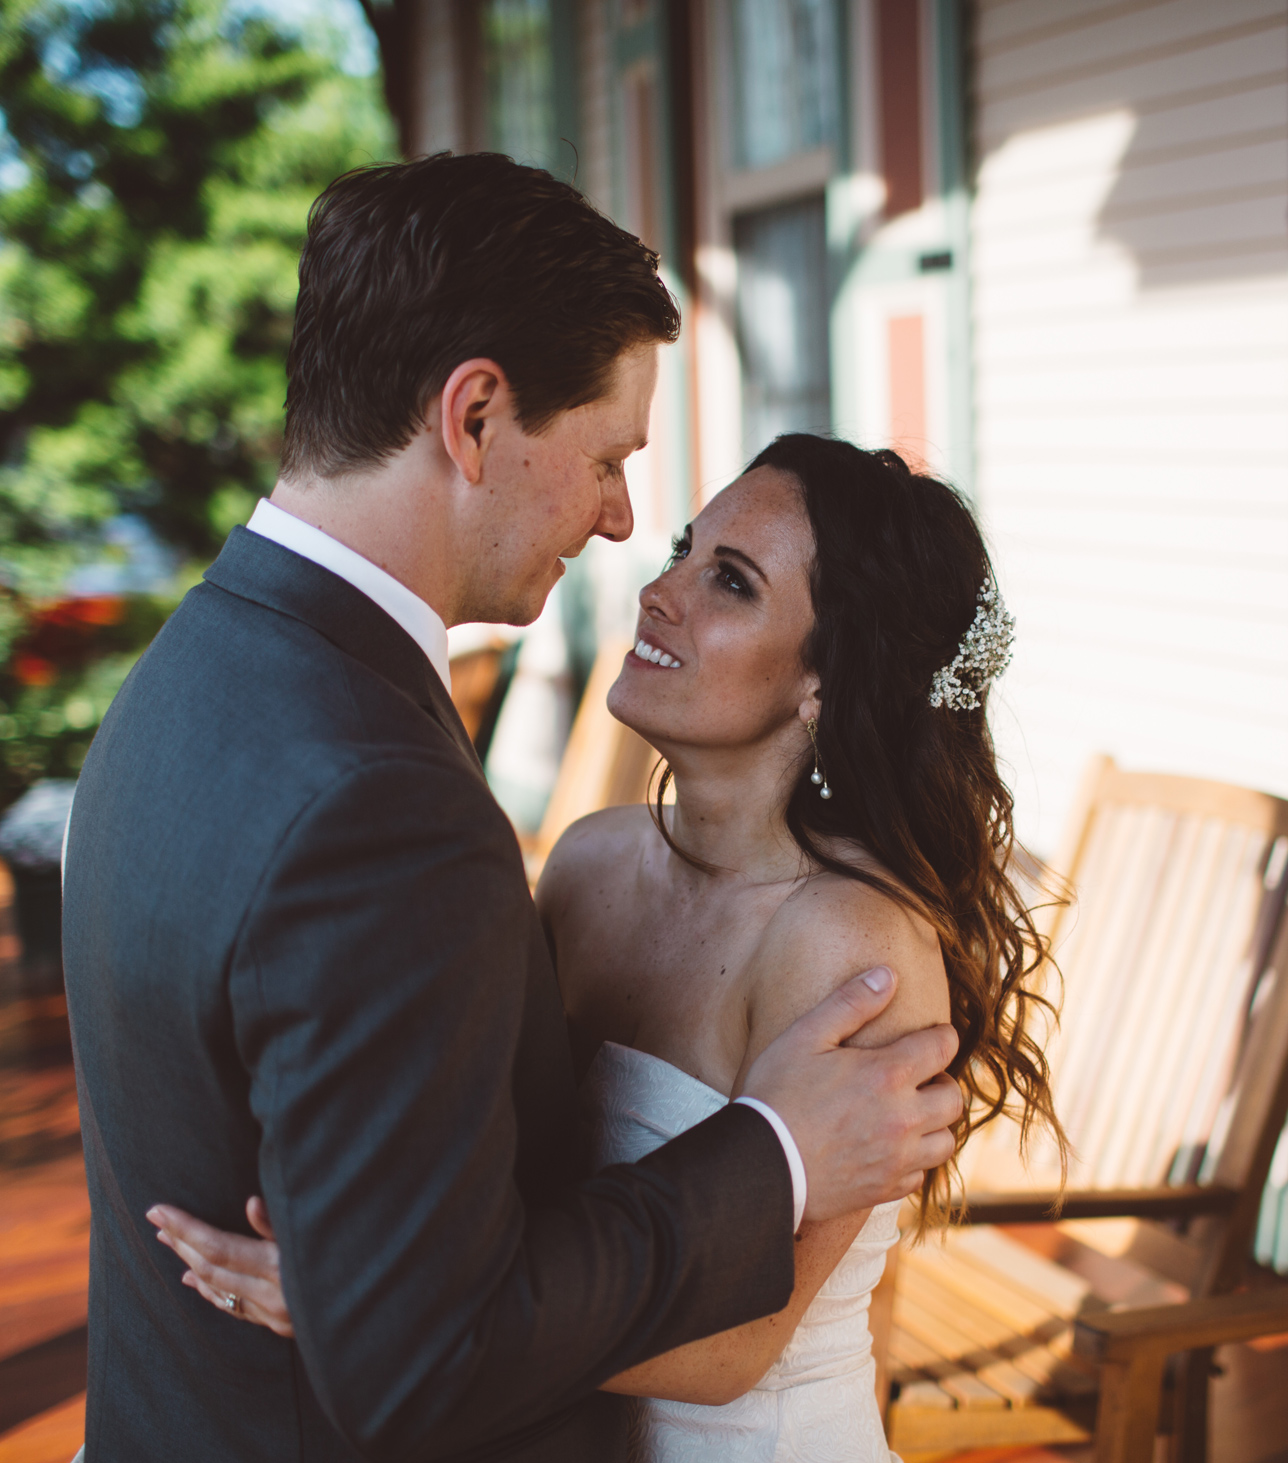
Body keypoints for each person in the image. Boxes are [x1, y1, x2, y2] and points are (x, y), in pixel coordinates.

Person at [61, 155, 969, 1463]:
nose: (618, 524)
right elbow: (428, 1345)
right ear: (474, 415)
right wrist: (773, 1148)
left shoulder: (195, 670)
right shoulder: (384, 804)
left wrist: (355, 1295)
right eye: (607, 457)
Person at [154, 434, 1065, 1462]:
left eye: (729, 581)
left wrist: (381, 1318)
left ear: (825, 679)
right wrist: (365, 1251)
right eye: (684, 548)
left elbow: (735, 1349)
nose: (658, 590)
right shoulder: (589, 862)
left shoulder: (852, 941)